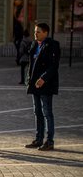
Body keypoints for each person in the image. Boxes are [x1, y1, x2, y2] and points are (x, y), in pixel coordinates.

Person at [25, 23, 60, 151]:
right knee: (37, 112)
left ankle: (49, 141)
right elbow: (31, 64)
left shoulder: (53, 45)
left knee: (47, 113)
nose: (36, 34)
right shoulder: (34, 45)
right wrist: (29, 79)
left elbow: (53, 66)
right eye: (35, 31)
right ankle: (38, 139)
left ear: (46, 33)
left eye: (38, 32)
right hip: (35, 84)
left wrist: (43, 79)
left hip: (46, 84)